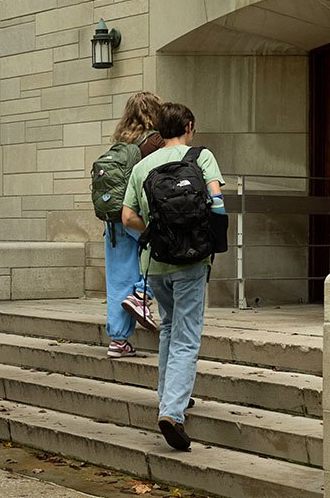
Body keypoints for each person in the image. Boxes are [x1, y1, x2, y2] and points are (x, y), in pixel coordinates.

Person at [120, 103, 224, 451]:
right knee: (186, 336)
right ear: (189, 126)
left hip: (157, 260)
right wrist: (213, 242)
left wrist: (152, 232)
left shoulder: (143, 166)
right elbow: (218, 203)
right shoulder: (200, 156)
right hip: (193, 259)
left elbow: (127, 216)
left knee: (168, 327)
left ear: (159, 129)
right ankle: (172, 412)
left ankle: (169, 395)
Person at [99, 92, 166, 358]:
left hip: (113, 220)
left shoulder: (119, 144)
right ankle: (141, 294)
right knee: (158, 255)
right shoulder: (155, 142)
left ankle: (118, 341)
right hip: (136, 215)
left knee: (118, 280)